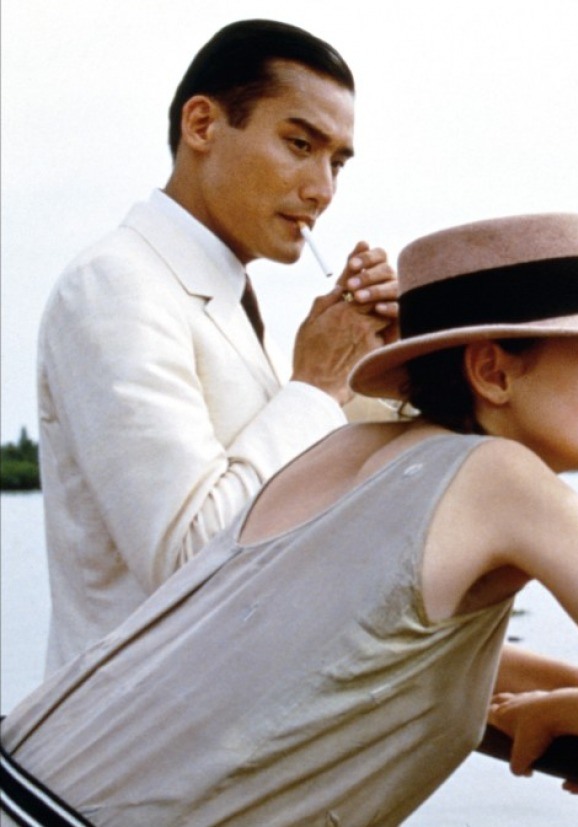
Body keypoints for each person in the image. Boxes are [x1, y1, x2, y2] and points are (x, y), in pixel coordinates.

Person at [0, 212, 578, 826]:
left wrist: (569, 689)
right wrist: (570, 712)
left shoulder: (345, 453)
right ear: (493, 370)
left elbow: (339, 652)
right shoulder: (504, 479)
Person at [35, 19, 400, 673]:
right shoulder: (115, 284)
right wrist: (316, 385)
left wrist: (383, 366)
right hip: (132, 728)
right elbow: (189, 559)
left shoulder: (226, 302)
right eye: (299, 144)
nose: (322, 188)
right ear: (202, 125)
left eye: (337, 162)